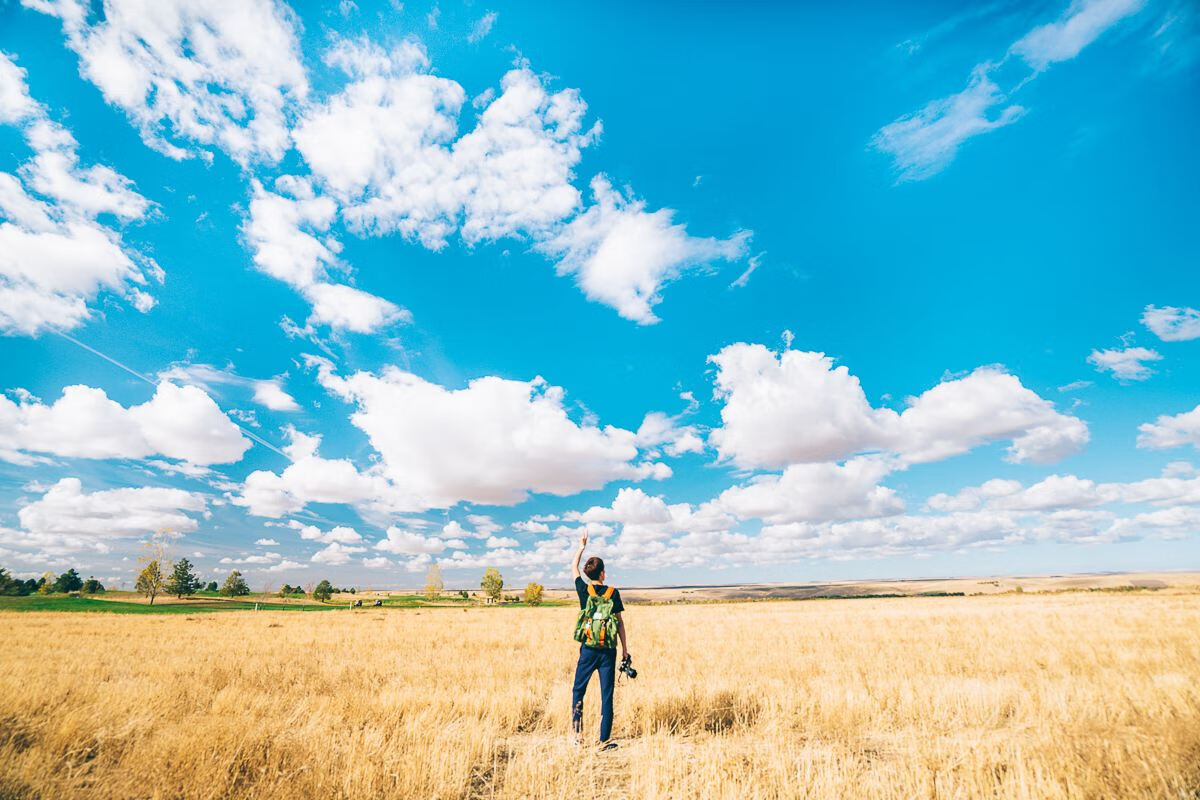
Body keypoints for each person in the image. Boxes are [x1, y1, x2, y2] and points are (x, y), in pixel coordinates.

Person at [570, 532, 629, 749]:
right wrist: (625, 650)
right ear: (602, 573)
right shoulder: (613, 593)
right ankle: (604, 740)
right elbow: (620, 623)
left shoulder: (584, 589)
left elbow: (573, 568)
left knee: (578, 690)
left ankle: (577, 736)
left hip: (588, 649)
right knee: (607, 694)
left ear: (589, 573)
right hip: (608, 650)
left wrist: (581, 547)